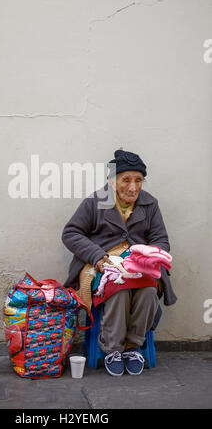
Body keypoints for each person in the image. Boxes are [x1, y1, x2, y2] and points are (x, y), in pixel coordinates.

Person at [62, 149, 177, 376]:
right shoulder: (95, 202)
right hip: (104, 264)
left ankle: (133, 346)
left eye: (138, 180)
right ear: (112, 182)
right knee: (119, 289)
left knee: (147, 289)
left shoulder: (150, 204)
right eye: (126, 180)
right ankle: (112, 348)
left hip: (139, 267)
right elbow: (71, 233)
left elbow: (160, 239)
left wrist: (150, 257)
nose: (133, 187)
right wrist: (97, 257)